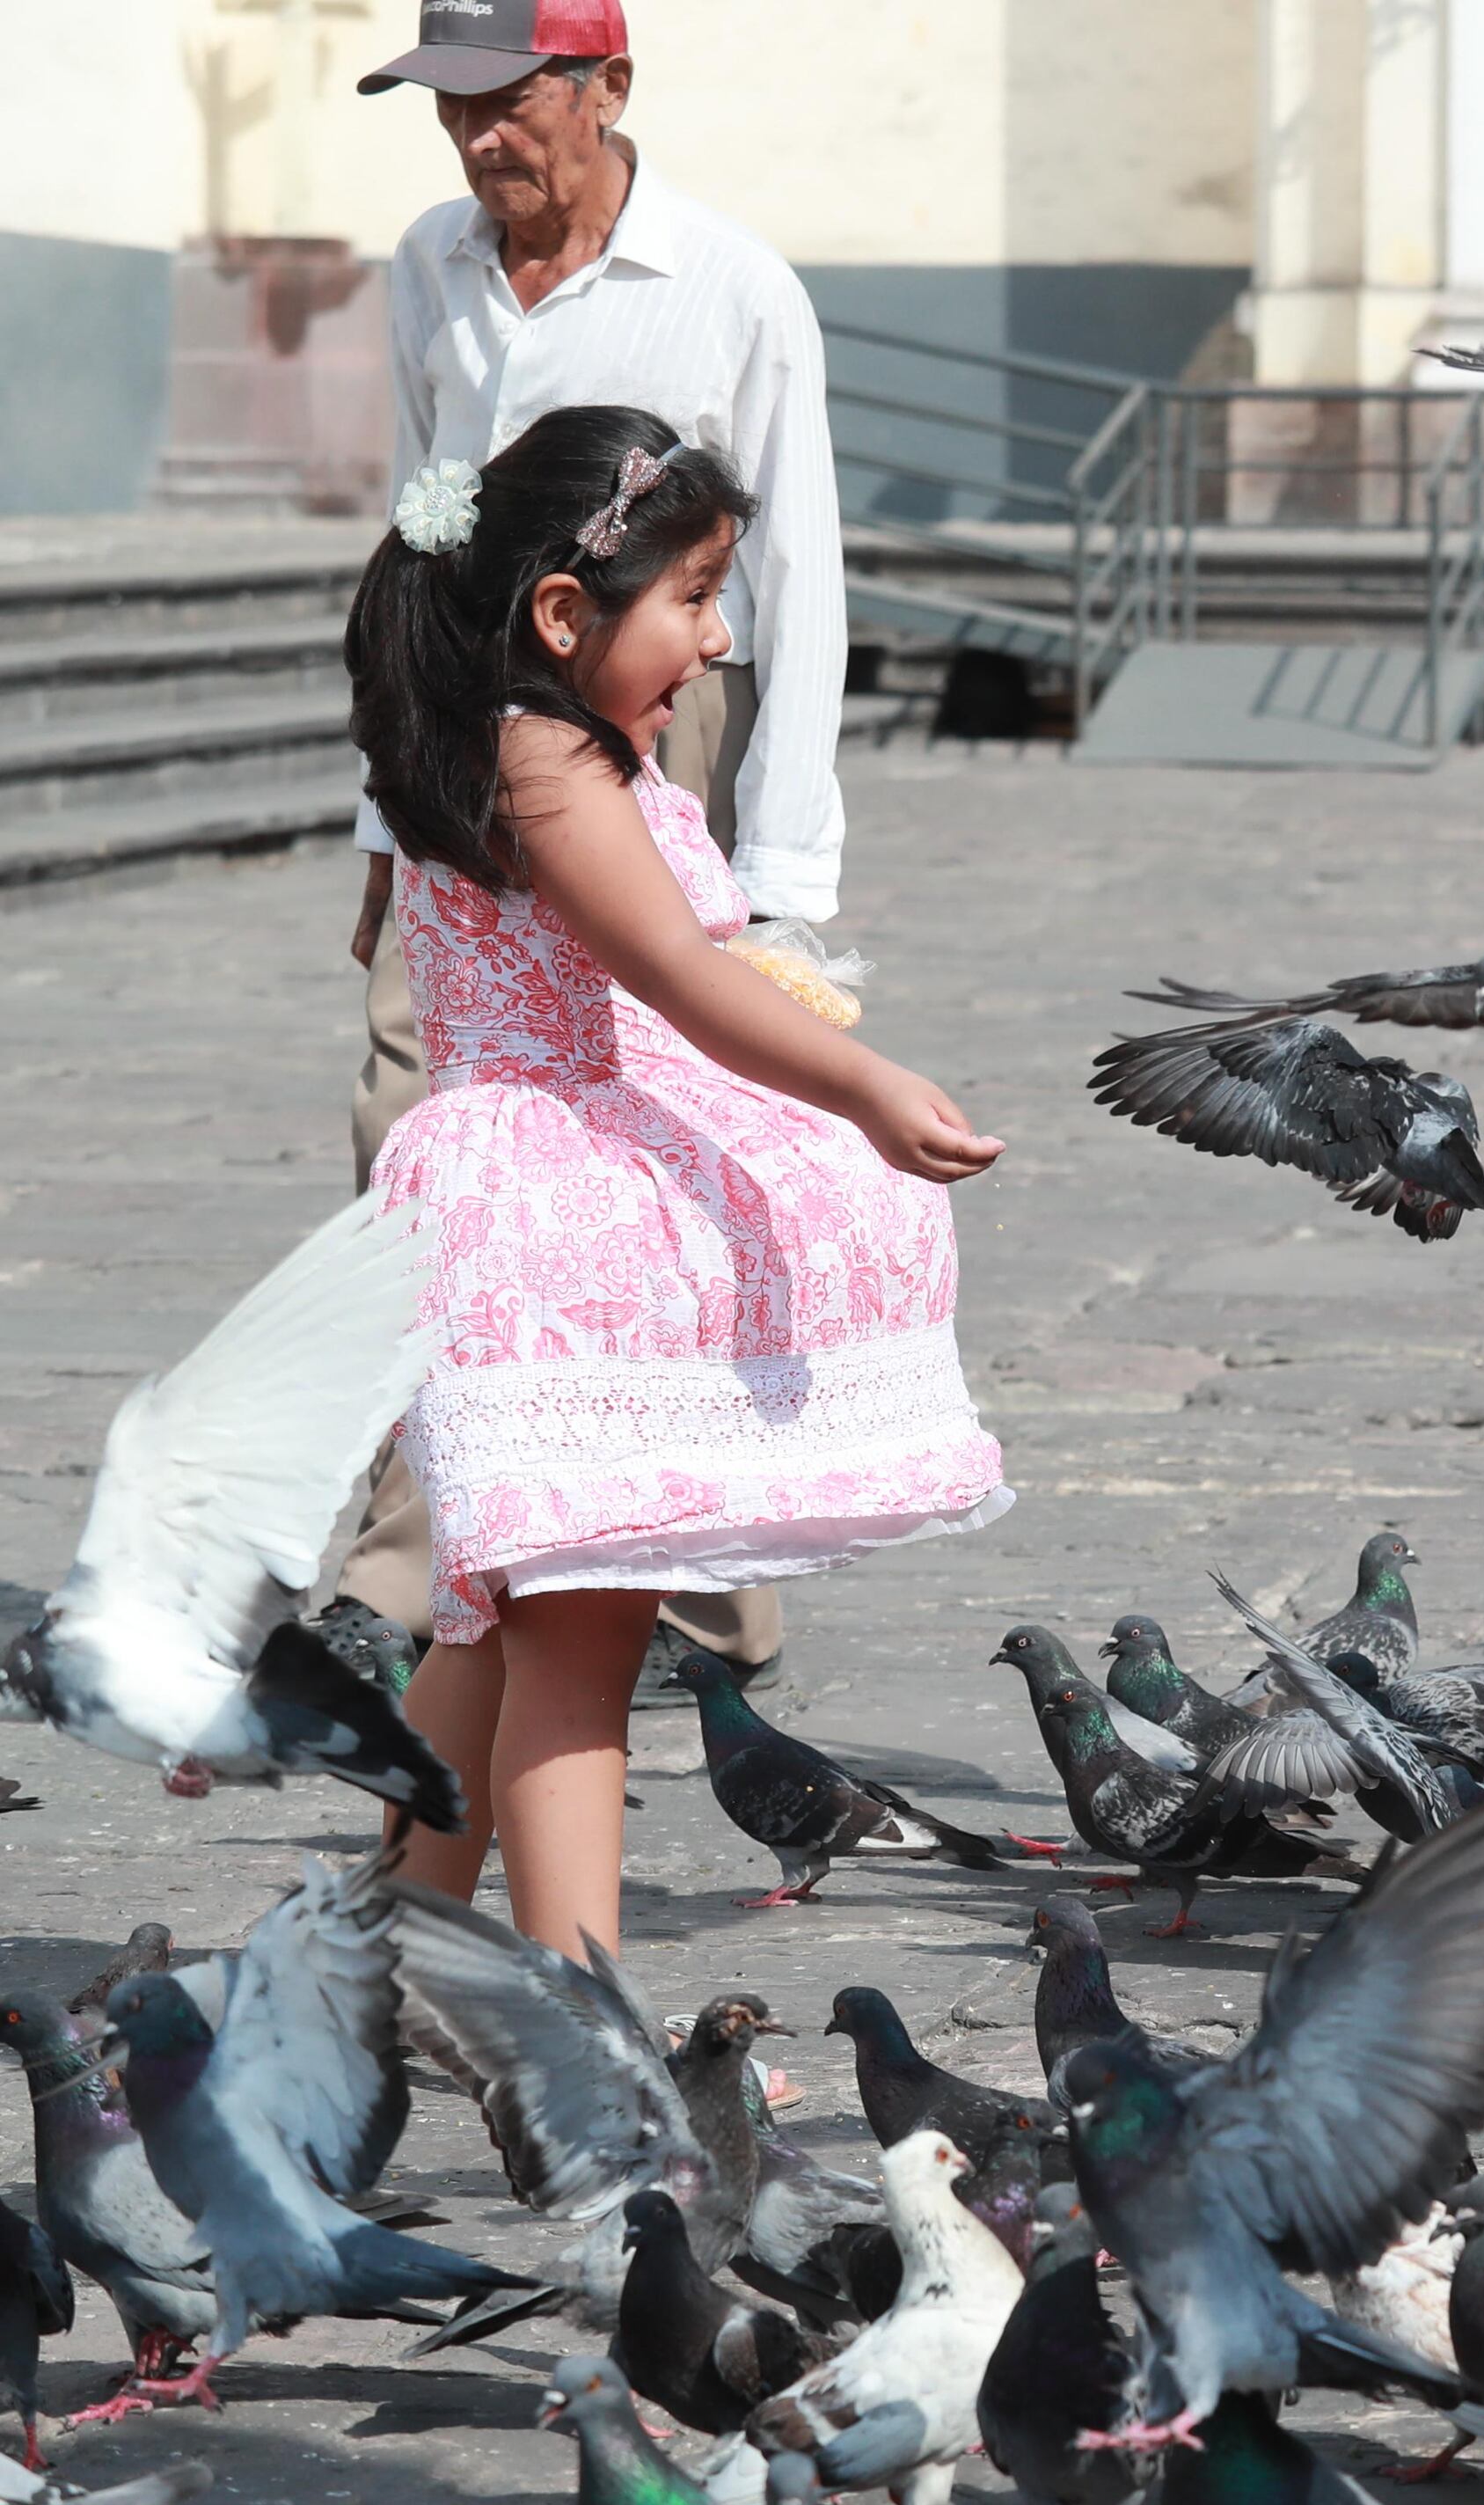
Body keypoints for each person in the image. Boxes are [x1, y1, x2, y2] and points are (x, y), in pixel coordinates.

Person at [351, 406, 1004, 1966]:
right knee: (579, 1659)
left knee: (497, 1625)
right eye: (695, 597)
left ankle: (376, 1967)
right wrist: (862, 1082)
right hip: (564, 1224)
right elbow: (677, 981)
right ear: (565, 613)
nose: (716, 639)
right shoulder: (544, 753)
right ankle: (580, 2033)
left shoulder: (542, 738)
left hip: (567, 1195)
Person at [333, 0, 851, 1689]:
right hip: (462, 737)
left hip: (659, 725)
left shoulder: (731, 284)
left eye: (512, 103)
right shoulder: (431, 262)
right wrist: (383, 809)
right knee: (424, 1126)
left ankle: (709, 1561)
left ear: (609, 88)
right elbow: (423, 515)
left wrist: (786, 879)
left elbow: (799, 587)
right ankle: (413, 1559)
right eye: (454, 110)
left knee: (663, 1125)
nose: (483, 143)